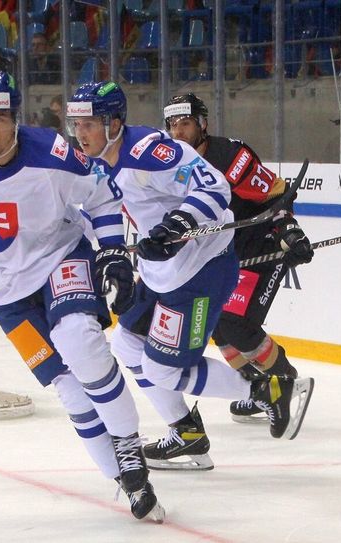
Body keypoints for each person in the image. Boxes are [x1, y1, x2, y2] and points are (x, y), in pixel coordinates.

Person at [0, 72, 164, 522]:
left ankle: (128, 447)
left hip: (59, 257)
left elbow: (101, 196)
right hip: (1, 291)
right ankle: (123, 478)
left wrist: (113, 251)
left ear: (16, 120)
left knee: (80, 341)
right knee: (66, 385)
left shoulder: (53, 156)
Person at [66, 81, 315, 467]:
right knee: (127, 346)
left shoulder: (148, 152)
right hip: (160, 271)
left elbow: (214, 187)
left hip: (202, 269)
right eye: (76, 125)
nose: (81, 134)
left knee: (163, 369)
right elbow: (99, 209)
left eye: (90, 124)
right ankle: (186, 433)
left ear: (114, 122)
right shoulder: (99, 160)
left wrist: (178, 222)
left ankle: (268, 388)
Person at [136, 92, 315, 469]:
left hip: (262, 246)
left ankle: (282, 379)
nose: (178, 131)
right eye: (172, 124)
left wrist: (289, 230)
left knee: (236, 322)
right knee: (217, 323)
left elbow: (276, 194)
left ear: (203, 124)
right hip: (221, 256)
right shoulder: (169, 162)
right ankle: (256, 384)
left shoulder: (232, 157)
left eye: (185, 123)